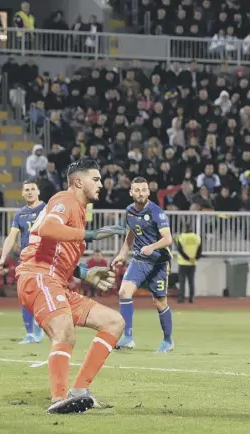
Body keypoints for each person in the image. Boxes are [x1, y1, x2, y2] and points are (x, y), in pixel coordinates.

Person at [15, 158, 126, 414]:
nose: (101, 185)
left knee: (114, 322)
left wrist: (85, 273)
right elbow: (47, 228)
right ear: (79, 181)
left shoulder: (78, 210)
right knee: (64, 331)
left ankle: (78, 391)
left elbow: (57, 251)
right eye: (95, 179)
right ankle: (58, 399)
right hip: (38, 276)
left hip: (57, 283)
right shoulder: (66, 200)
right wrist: (91, 235)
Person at [112, 177, 174, 353]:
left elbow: (168, 239)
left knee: (159, 302)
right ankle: (128, 337)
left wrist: (152, 247)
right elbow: (131, 233)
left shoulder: (156, 212)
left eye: (144, 190)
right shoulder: (130, 211)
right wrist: (122, 254)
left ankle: (168, 341)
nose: (141, 193)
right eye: (137, 190)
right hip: (140, 260)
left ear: (148, 192)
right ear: (131, 192)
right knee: (124, 292)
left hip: (158, 262)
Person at [0, 180, 47, 344]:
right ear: (23, 193)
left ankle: (40, 329)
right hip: (26, 259)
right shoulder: (19, 214)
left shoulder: (47, 209)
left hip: (45, 257)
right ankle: (30, 334)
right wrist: (3, 257)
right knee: (24, 295)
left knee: (41, 295)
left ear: (38, 191)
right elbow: (12, 237)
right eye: (27, 189)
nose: (30, 192)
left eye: (33, 189)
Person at [175, 222, 201, 303]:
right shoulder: (197, 237)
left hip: (183, 262)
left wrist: (187, 258)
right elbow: (199, 250)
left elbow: (180, 250)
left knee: (182, 281)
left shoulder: (181, 237)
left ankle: (181, 298)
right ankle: (191, 298)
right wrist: (195, 258)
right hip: (193, 263)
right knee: (191, 281)